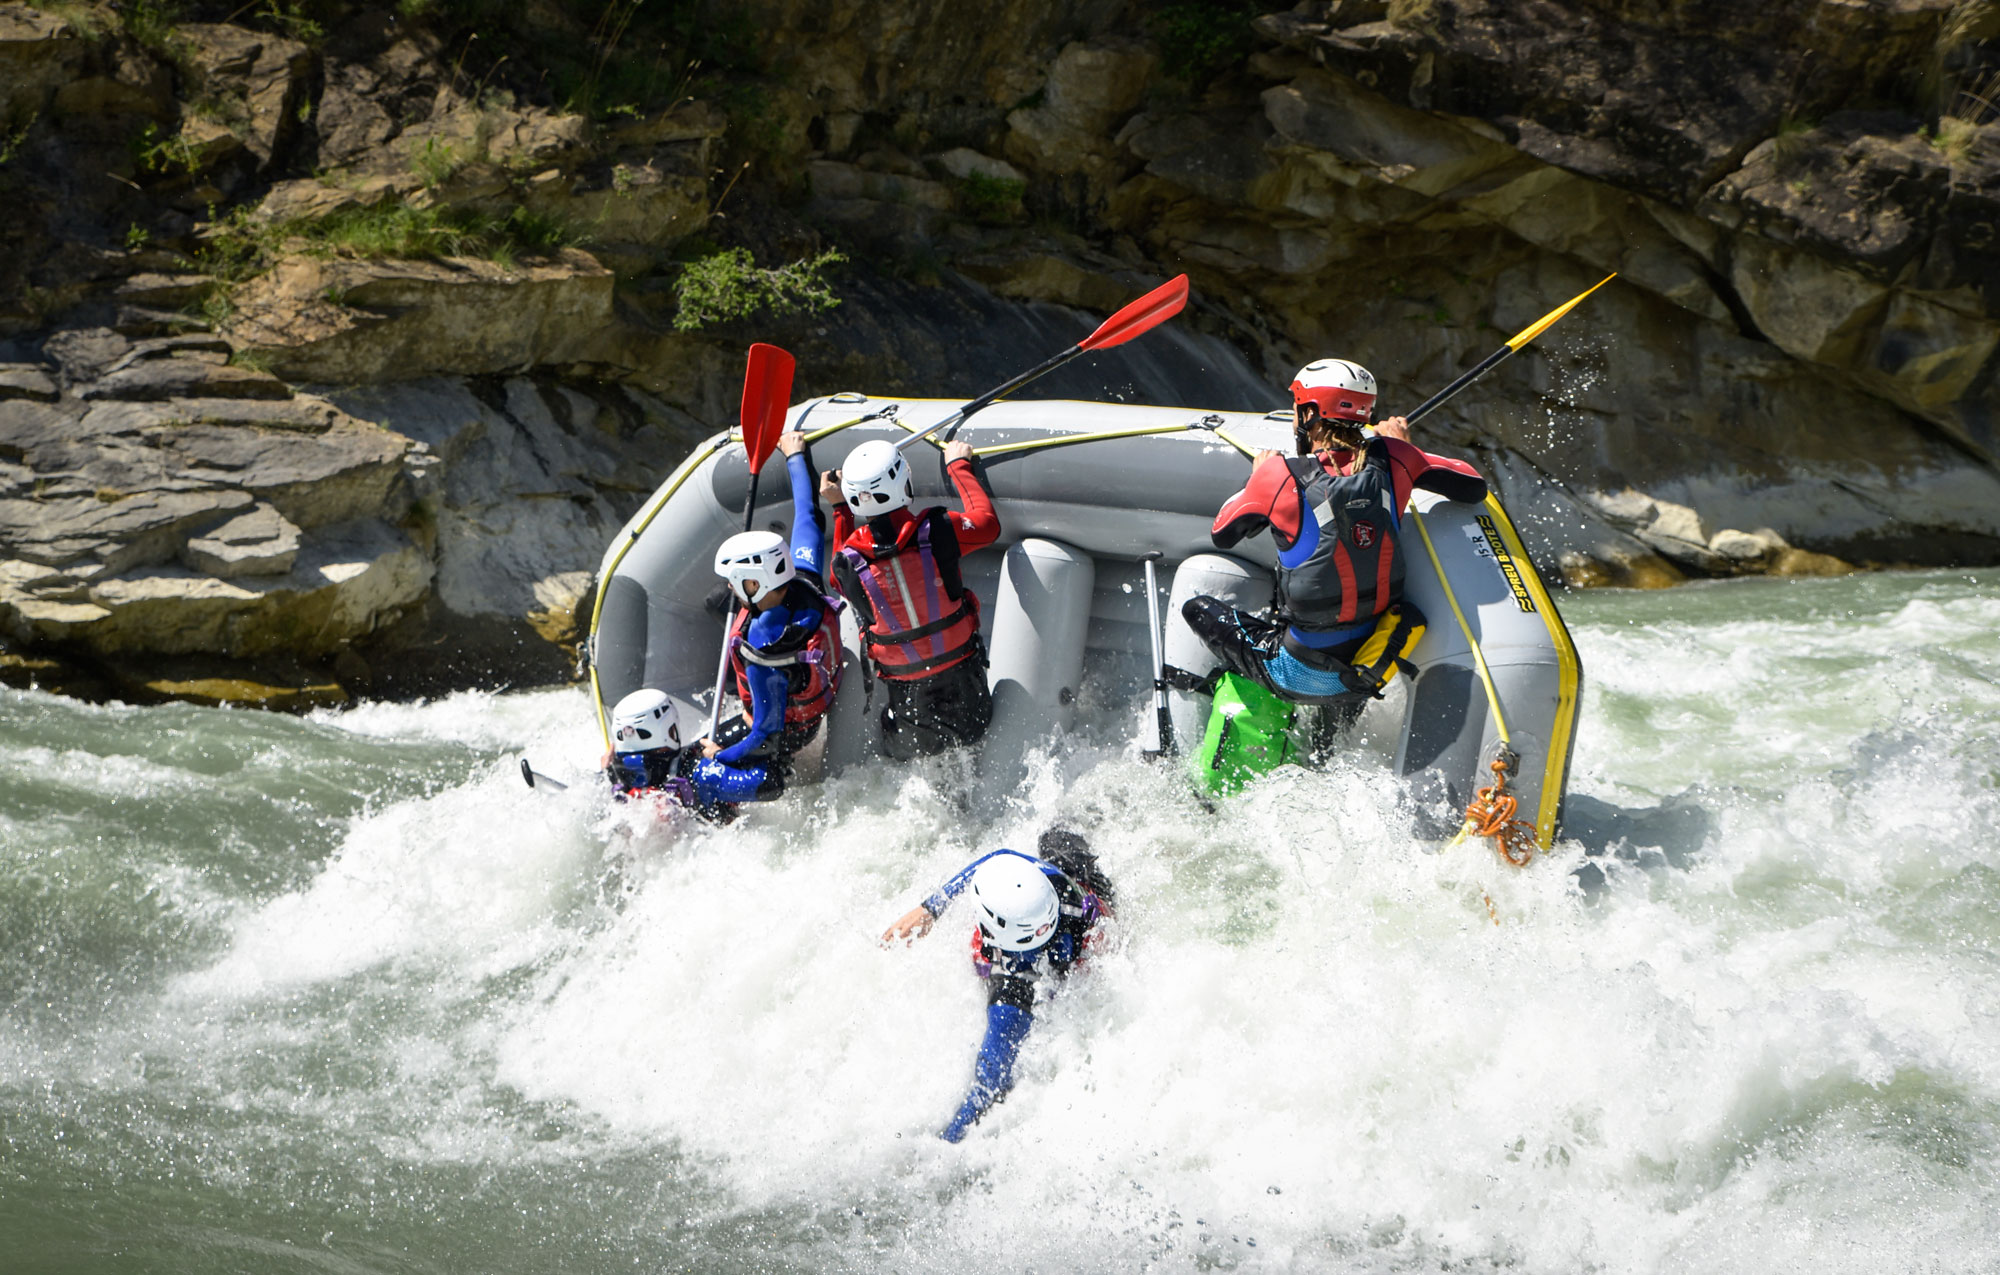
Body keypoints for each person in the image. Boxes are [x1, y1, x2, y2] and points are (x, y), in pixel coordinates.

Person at [1183, 358, 1488, 717]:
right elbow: (1472, 485)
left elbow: (1223, 532)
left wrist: (1260, 475)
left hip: (1294, 674)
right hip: (1368, 668)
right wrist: (1404, 446)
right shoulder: (1397, 457)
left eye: (1298, 407)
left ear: (1310, 412)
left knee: (1198, 609)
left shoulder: (1279, 476)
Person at [881, 828, 1115, 1142]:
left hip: (1076, 947)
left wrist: (949, 1141)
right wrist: (930, 908)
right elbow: (1000, 859)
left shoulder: (1018, 977)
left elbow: (988, 1082)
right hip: (1078, 908)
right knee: (1055, 837)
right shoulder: (1044, 880)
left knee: (1003, 1037)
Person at [825, 437, 1000, 760]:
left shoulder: (846, 563)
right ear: (903, 483)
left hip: (911, 705)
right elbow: (988, 525)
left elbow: (838, 574)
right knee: (973, 734)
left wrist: (840, 511)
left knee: (901, 742)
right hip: (966, 688)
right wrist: (958, 465)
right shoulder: (938, 529)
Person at [694, 429, 844, 802]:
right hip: (808, 703)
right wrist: (796, 455)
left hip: (786, 737)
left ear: (754, 584)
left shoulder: (761, 649)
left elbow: (765, 735)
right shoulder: (806, 581)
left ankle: (760, 784)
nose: (729, 588)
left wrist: (720, 756)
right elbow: (808, 515)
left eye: (735, 582)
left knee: (696, 769)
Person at [603, 688, 743, 821]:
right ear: (667, 730)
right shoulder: (695, 770)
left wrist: (606, 770)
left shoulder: (613, 779)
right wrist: (720, 758)